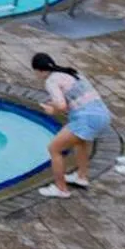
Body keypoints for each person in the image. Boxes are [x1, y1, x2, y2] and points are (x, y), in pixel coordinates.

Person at [32, 51, 109, 198]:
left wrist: (52, 109)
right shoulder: (71, 72)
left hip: (86, 118)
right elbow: (75, 99)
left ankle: (61, 189)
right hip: (102, 114)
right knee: (80, 142)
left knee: (54, 149)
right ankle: (81, 177)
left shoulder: (51, 81)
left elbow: (60, 106)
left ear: (39, 70)